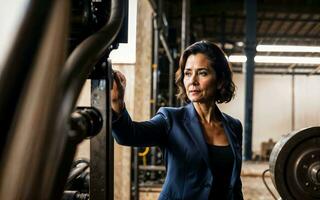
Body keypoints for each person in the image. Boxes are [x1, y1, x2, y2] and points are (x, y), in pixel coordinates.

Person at [111, 40, 243, 200]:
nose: (193, 81)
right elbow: (128, 135)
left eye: (202, 73)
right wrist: (117, 103)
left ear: (220, 80)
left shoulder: (234, 126)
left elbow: (235, 185)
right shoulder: (170, 119)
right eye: (188, 73)